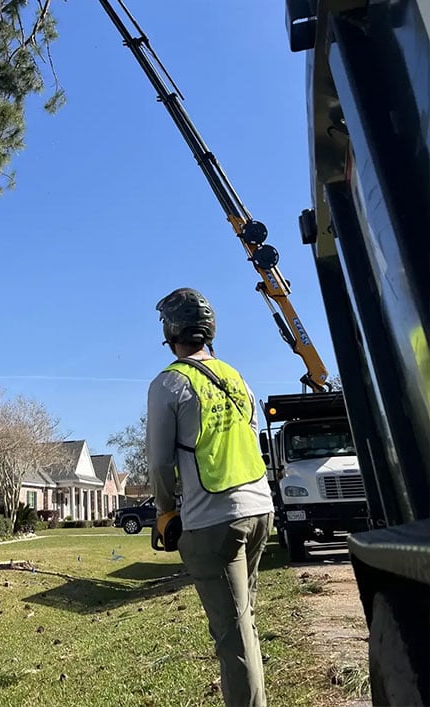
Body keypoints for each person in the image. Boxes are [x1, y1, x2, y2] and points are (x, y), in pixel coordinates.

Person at [146, 287, 274, 707]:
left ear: (171, 332)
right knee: (243, 622)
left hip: (213, 520)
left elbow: (161, 463)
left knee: (232, 636)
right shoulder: (237, 377)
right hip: (260, 509)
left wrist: (165, 512)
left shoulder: (169, 383)